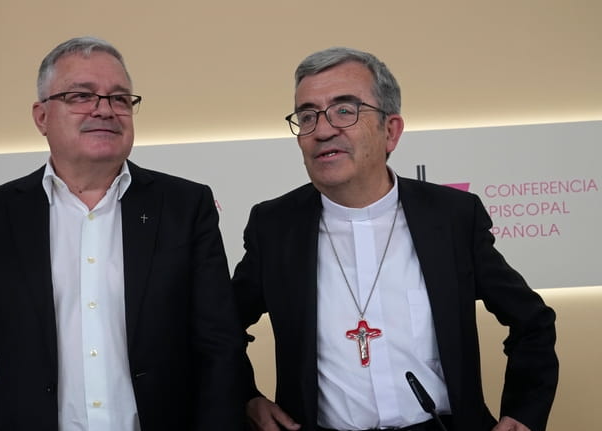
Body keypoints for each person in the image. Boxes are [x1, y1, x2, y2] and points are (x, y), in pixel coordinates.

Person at [232, 47, 558, 431]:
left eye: (344, 110)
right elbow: (221, 328)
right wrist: (246, 396)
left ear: (391, 131)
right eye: (307, 116)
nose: (321, 130)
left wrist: (522, 414)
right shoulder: (274, 226)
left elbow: (532, 322)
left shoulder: (451, 217)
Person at [0, 36, 246, 431]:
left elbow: (219, 346)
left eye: (119, 98)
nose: (105, 110)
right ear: (41, 117)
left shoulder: (185, 205)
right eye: (82, 96)